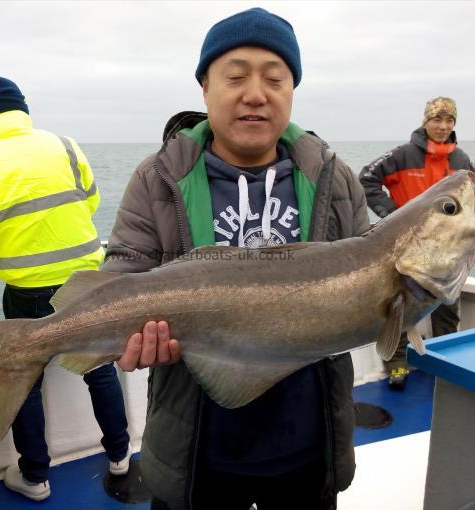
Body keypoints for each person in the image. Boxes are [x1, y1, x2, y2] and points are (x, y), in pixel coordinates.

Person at [105, 8, 370, 510]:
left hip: (309, 449)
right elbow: (121, 274)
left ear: (292, 91)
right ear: (205, 88)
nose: (256, 93)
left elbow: (370, 279)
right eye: (235, 76)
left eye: (275, 78)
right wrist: (126, 339)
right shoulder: (157, 178)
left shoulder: (335, 180)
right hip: (195, 454)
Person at [0, 78, 131, 501]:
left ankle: (35, 476)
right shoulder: (66, 146)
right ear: (24, 108)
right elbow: (90, 202)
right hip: (84, 279)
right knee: (98, 367)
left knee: (24, 380)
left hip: (26, 288)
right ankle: (121, 455)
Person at [358, 96, 475, 388]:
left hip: (447, 252)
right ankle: (396, 363)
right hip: (405, 249)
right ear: (425, 121)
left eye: (449, 120)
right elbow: (366, 179)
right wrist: (392, 215)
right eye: (436, 119)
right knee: (399, 305)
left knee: (448, 307)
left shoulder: (462, 161)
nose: (442, 126)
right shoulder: (401, 155)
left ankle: (445, 362)